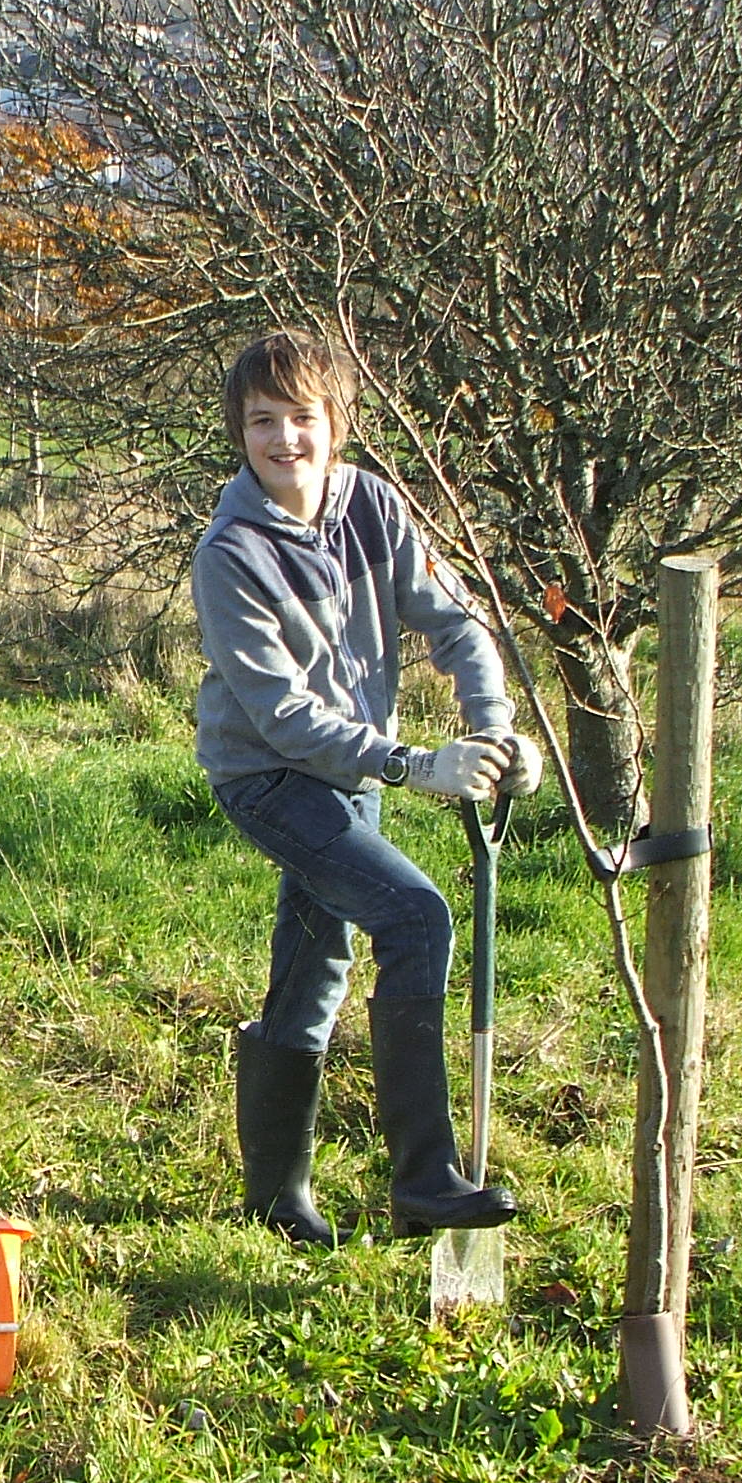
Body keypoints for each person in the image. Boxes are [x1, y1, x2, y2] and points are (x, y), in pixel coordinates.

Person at [191, 330, 545, 1246]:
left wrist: (495, 728)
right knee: (416, 915)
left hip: (349, 774)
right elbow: (284, 717)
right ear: (241, 432)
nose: (284, 441)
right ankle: (425, 1174)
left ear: (335, 424)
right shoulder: (230, 554)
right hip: (271, 778)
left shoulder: (373, 509)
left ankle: (275, 1200)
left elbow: (456, 621)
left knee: (316, 969)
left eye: (302, 418)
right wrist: (417, 765)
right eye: (262, 422)